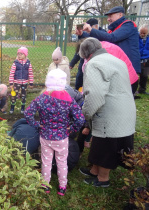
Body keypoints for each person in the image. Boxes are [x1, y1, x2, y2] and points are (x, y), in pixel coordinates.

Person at [78, 38, 136, 188]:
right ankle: (94, 170)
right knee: (98, 145)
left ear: (86, 55)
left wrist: (86, 113)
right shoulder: (116, 60)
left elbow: (95, 95)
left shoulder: (94, 64)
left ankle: (103, 179)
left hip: (110, 114)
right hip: (126, 110)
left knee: (105, 148)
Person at [24, 69, 85, 196]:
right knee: (62, 162)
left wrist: (37, 125)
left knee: (46, 161)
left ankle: (45, 185)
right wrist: (71, 129)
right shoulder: (69, 99)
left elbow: (28, 113)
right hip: (62, 138)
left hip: (46, 136)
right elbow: (80, 119)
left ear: (48, 83)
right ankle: (62, 186)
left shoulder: (41, 98)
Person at [83, 6, 140, 94]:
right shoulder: (114, 29)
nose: (108, 19)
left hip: (128, 66)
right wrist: (83, 34)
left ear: (120, 14)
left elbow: (111, 38)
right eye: (108, 17)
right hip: (119, 66)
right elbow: (103, 39)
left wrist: (91, 30)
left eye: (110, 16)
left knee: (124, 95)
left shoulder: (128, 25)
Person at [9, 47, 34, 114]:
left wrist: (31, 83)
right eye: (18, 54)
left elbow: (30, 73)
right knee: (14, 95)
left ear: (25, 55)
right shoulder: (15, 63)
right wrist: (11, 83)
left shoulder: (28, 63)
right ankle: (12, 107)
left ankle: (22, 108)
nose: (19, 55)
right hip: (17, 82)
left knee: (24, 95)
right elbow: (11, 73)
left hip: (25, 83)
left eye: (21, 54)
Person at [69, 24, 90, 90]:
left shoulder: (88, 37)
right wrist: (72, 63)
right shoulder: (81, 38)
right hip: (82, 63)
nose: (75, 31)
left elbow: (79, 52)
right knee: (79, 79)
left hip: (88, 63)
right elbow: (79, 52)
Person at [138, 24, 149, 94]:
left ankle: (142, 89)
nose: (142, 34)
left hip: (146, 58)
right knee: (135, 74)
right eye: (141, 32)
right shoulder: (135, 37)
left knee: (144, 75)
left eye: (144, 33)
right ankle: (132, 89)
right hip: (137, 57)